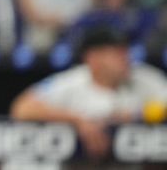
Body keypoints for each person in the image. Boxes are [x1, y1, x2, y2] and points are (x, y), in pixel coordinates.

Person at [10, 25, 167, 159]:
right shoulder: (72, 81)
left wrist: (138, 115)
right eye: (117, 53)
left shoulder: (145, 77)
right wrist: (79, 121)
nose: (126, 58)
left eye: (126, 51)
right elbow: (22, 108)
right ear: (93, 58)